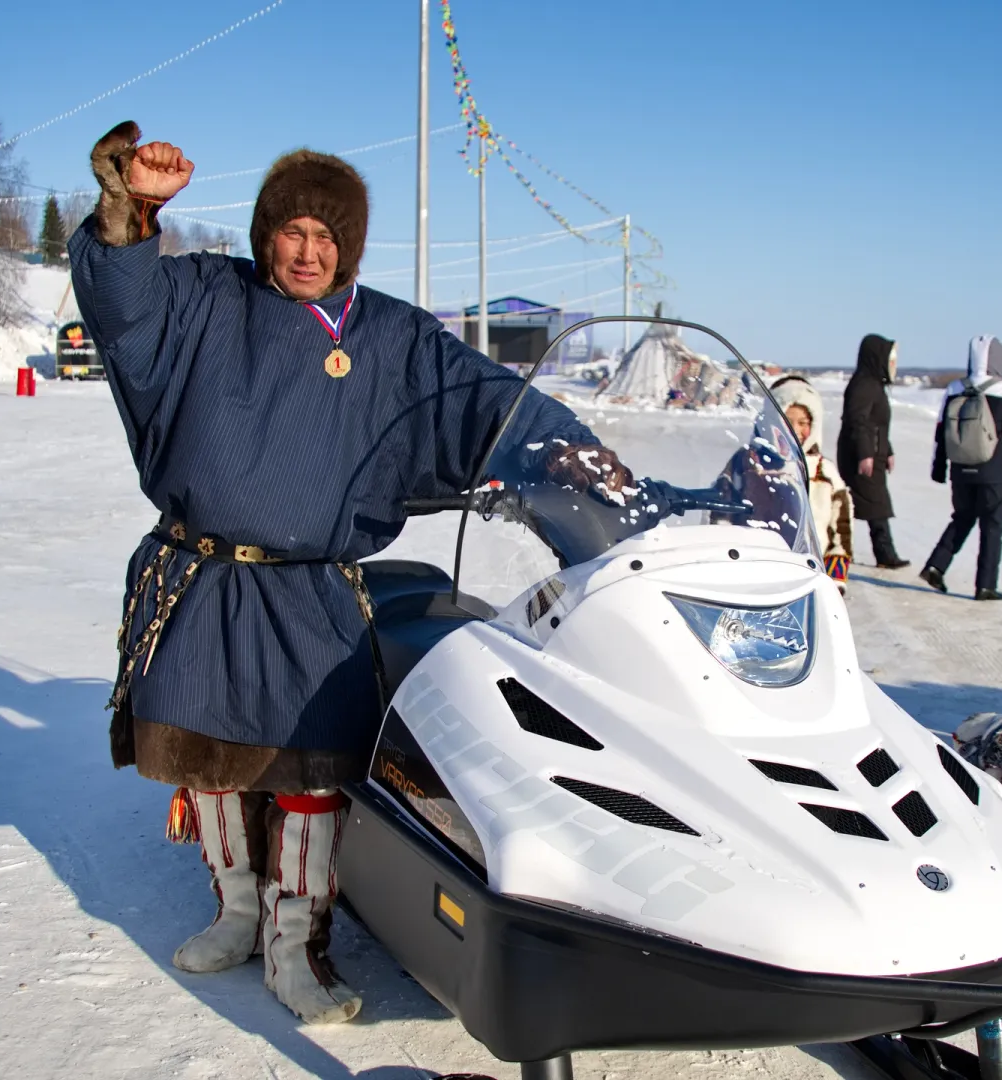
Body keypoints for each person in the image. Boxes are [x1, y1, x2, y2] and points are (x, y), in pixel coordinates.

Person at [69, 123, 621, 1025]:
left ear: (350, 250)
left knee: (310, 778)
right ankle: (235, 912)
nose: (309, 251)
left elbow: (482, 395)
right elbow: (123, 305)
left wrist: (565, 450)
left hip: (312, 593)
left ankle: (297, 946)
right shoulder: (209, 297)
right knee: (210, 770)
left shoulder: (394, 338)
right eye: (294, 231)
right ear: (266, 234)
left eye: (329, 238)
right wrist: (131, 211)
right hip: (205, 579)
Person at [919, 335, 1002, 600]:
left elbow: (941, 432)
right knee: (992, 527)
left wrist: (939, 467)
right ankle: (985, 585)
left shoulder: (955, 388)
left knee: (962, 517)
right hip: (994, 472)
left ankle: (936, 565)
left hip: (960, 469)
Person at [770, 375, 854, 589]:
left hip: (812, 579)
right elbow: (721, 518)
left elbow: (840, 531)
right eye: (787, 421)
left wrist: (835, 580)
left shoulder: (825, 473)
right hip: (760, 576)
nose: (796, 430)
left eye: (803, 423)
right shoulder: (750, 465)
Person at [836, 334, 907, 568]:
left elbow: (878, 424)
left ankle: (873, 552)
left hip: (872, 452)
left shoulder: (873, 384)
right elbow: (859, 421)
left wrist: (888, 451)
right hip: (861, 455)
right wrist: (865, 453)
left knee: (871, 504)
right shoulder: (864, 385)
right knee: (872, 504)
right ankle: (881, 554)